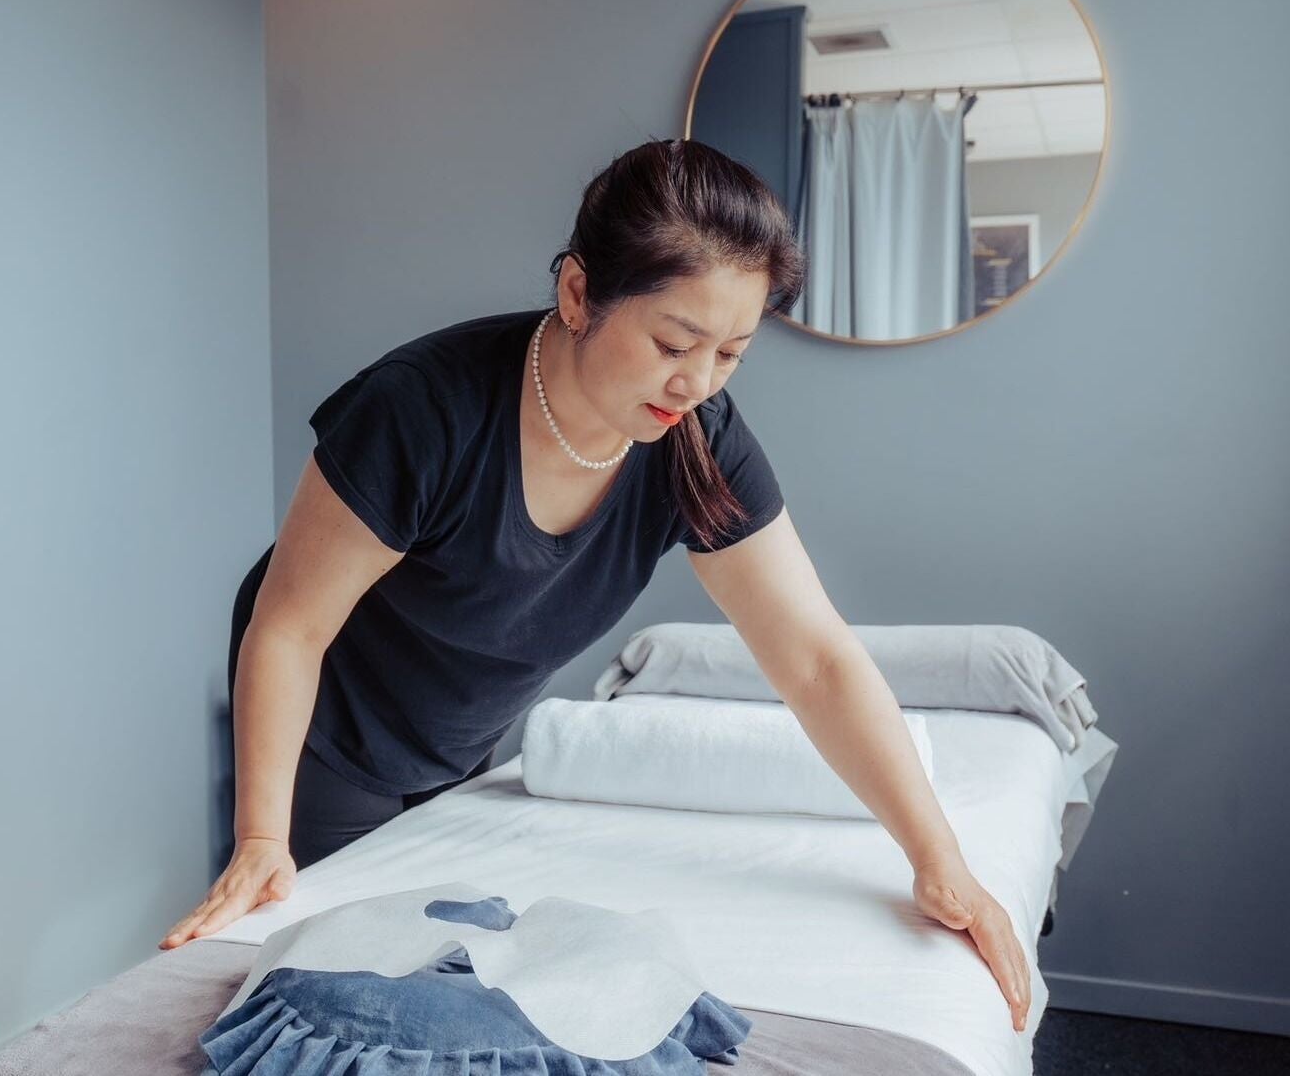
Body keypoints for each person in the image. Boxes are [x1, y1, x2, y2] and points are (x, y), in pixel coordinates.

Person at [159, 138, 1032, 1034]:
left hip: (462, 741)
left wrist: (938, 858)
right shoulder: (421, 409)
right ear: (577, 293)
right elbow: (288, 626)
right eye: (672, 342)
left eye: (731, 352)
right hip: (333, 740)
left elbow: (812, 657)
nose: (694, 383)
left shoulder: (694, 438)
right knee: (349, 999)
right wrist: (263, 836)